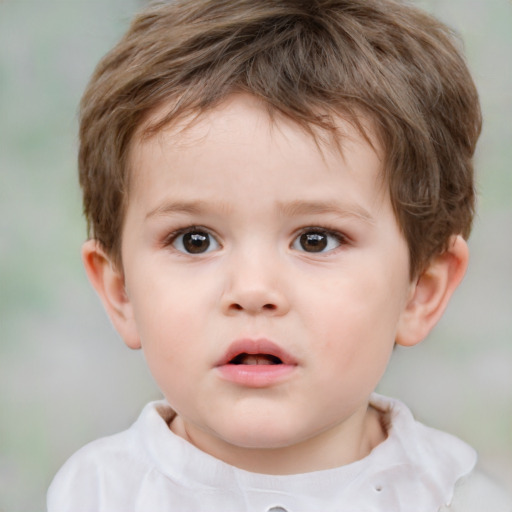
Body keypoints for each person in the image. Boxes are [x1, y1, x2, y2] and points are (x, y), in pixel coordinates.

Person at [47, 0, 512, 510]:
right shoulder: (96, 493)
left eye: (316, 239)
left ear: (420, 291)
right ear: (121, 293)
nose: (251, 290)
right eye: (194, 240)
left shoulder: (461, 497)